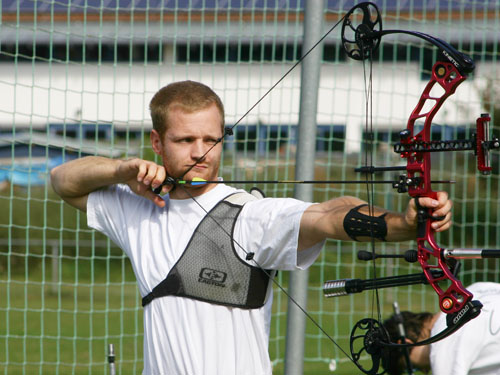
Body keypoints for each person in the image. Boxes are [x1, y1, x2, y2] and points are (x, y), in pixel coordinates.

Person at [50, 80, 453, 375]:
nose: (200, 152)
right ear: (157, 142)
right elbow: (62, 182)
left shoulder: (248, 215)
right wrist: (122, 169)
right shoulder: (138, 209)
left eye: (211, 139)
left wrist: (405, 223)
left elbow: (330, 214)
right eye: (185, 139)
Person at [382, 282, 500, 375]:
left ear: (405, 344)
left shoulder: (442, 348)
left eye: (413, 367)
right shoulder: (473, 289)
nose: (425, 371)